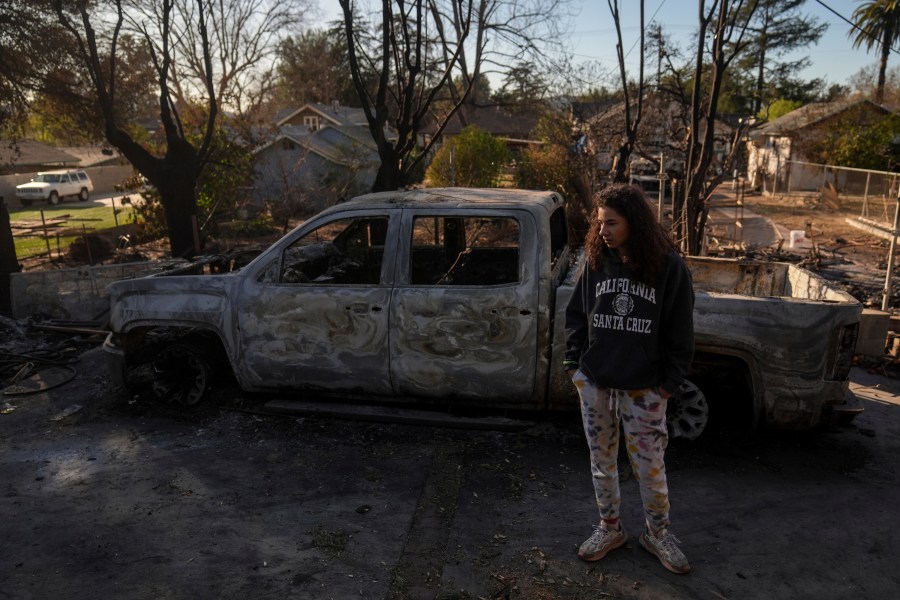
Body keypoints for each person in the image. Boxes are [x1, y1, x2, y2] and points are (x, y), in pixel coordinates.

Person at [563, 183, 695, 575]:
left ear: (635, 222)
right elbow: (575, 316)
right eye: (600, 223)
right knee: (602, 462)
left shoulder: (668, 267)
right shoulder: (596, 261)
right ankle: (610, 528)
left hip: (645, 389)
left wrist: (668, 384)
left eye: (612, 223)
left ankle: (658, 533)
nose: (603, 230)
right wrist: (576, 368)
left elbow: (681, 333)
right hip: (597, 383)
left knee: (650, 467)